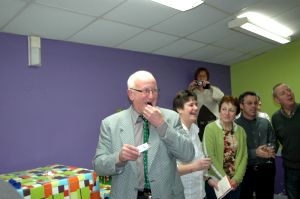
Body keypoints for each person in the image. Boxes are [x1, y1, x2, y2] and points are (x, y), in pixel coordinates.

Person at [93, 70, 195, 199]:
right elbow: (98, 166)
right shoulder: (110, 124)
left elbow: (188, 155)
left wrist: (162, 125)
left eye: (155, 90)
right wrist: (119, 157)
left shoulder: (171, 118)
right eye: (146, 91)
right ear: (131, 94)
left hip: (166, 194)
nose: (151, 96)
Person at [203, 96, 248, 199]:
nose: (227, 113)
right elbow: (209, 156)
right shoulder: (210, 128)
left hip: (235, 183)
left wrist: (236, 178)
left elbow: (244, 156)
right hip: (216, 182)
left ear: (236, 113)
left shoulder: (241, 131)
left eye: (231, 110)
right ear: (219, 111)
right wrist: (225, 178)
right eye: (224, 109)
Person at [235, 91, 276, 199]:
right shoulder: (235, 126)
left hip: (266, 168)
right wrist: (255, 152)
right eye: (249, 103)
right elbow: (233, 151)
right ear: (241, 105)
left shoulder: (265, 122)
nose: (254, 106)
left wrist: (270, 149)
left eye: (255, 103)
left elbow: (273, 141)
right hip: (245, 171)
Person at [173, 90, 212, 199]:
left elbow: (200, 163)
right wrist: (195, 166)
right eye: (191, 105)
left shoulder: (195, 130)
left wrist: (206, 173)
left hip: (200, 193)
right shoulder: (173, 134)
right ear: (179, 109)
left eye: (196, 104)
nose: (195, 108)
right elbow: (170, 170)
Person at [272, 83, 300, 199]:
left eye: (289, 90)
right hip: (290, 168)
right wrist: (271, 150)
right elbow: (277, 141)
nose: (289, 93)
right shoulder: (275, 118)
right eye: (283, 93)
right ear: (277, 100)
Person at [188, 67, 224, 140]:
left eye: (204, 76)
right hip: (199, 124)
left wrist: (209, 86)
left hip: (214, 121)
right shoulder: (193, 92)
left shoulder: (213, 89)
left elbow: (222, 98)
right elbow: (186, 104)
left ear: (207, 78)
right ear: (196, 79)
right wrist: (189, 89)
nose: (201, 78)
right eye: (199, 76)